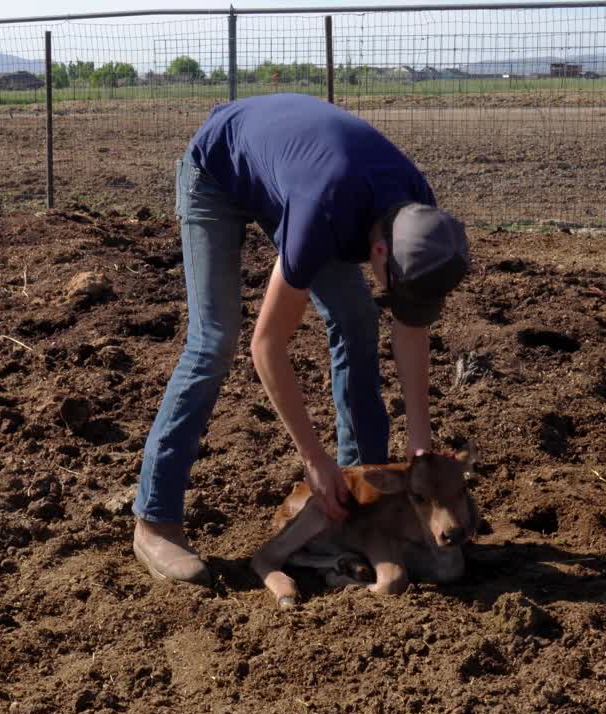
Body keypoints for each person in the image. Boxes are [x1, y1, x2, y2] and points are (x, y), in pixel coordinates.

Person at [130, 93, 470, 586]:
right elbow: (266, 346)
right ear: (378, 250)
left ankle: (355, 499)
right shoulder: (322, 213)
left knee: (357, 320)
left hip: (300, 174)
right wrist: (314, 459)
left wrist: (421, 450)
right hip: (219, 168)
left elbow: (410, 326)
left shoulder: (421, 220)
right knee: (215, 339)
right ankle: (155, 519)